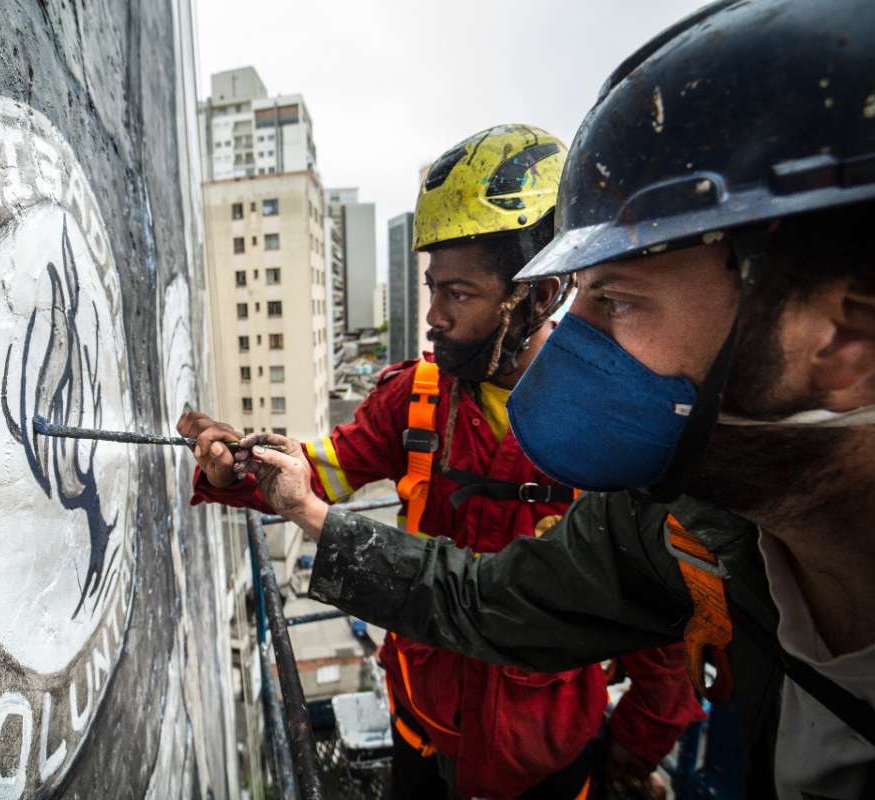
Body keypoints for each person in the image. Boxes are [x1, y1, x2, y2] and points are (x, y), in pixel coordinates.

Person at [232, 1, 875, 797]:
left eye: (617, 302)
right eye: (587, 297)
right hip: (430, 740)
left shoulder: (658, 508)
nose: (581, 339)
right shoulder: (676, 527)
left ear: (842, 340)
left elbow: (662, 674)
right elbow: (483, 597)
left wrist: (622, 761)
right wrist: (271, 482)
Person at [178, 126, 702, 799]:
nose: (434, 317)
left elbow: (661, 638)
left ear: (539, 294)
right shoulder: (415, 401)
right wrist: (242, 467)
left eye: (458, 294)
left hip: (546, 764)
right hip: (424, 732)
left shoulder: (612, 432)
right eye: (432, 289)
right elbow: (324, 470)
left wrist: (630, 751)